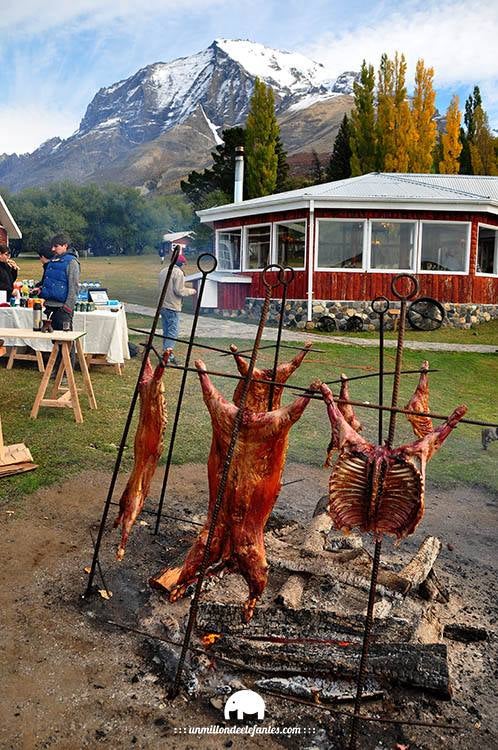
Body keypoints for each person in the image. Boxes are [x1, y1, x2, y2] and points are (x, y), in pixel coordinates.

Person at [158, 248, 195, 366]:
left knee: (166, 331)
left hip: (162, 305)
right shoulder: (178, 272)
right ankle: (167, 355)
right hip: (172, 306)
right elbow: (179, 291)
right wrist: (192, 291)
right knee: (173, 332)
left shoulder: (163, 270)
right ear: (181, 263)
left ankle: (169, 354)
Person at [41, 233, 80, 331]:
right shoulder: (53, 261)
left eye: (56, 246)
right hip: (50, 307)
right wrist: (41, 289)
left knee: (65, 341)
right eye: (52, 246)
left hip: (63, 309)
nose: (53, 249)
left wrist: (67, 308)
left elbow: (74, 287)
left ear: (65, 246)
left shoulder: (72, 262)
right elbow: (52, 282)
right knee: (55, 341)